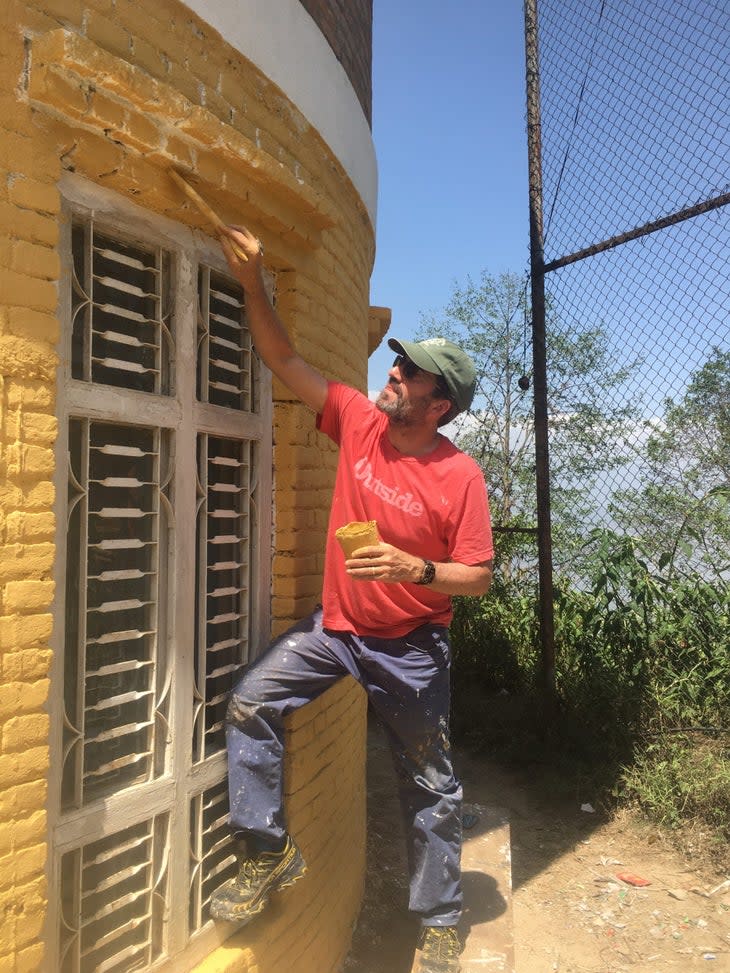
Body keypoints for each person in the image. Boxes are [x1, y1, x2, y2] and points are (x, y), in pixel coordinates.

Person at [209, 224, 494, 973]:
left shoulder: (459, 477)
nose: (394, 369)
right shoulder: (360, 423)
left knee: (429, 783)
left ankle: (438, 918)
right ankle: (268, 850)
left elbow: (479, 575)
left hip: (411, 647)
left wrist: (415, 567)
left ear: (439, 406)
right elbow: (283, 357)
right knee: (250, 701)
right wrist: (253, 276)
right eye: (399, 361)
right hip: (337, 628)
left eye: (411, 372)